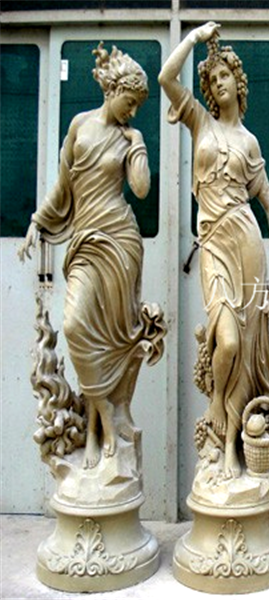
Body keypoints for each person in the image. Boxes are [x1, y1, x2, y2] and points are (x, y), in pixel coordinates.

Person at [19, 42, 165, 469]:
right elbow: (64, 186)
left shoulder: (128, 137)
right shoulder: (79, 126)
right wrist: (38, 222)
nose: (132, 111)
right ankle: (101, 421)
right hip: (84, 244)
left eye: (138, 106)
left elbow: (141, 189)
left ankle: (104, 429)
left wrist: (138, 144)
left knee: (117, 340)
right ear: (112, 89)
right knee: (75, 325)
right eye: (130, 102)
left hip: (120, 244)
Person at [158, 23, 269, 479]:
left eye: (224, 75)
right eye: (212, 78)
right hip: (214, 244)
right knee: (227, 340)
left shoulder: (249, 142)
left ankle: (233, 446)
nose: (218, 83)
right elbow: (166, 78)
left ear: (238, 81)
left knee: (247, 350)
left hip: (247, 243)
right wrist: (194, 38)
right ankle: (216, 402)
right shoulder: (199, 121)